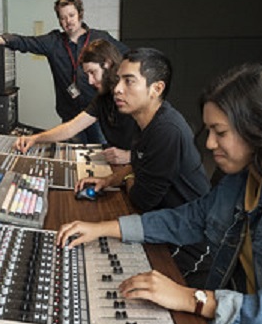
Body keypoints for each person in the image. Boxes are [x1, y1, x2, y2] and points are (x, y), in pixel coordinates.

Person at [57, 63, 262, 324]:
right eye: (209, 131)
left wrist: (191, 298)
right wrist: (104, 228)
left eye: (219, 132)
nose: (209, 143)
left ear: (259, 129)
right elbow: (189, 219)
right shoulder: (245, 177)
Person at [76, 47, 211, 287]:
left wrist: (128, 177)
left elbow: (141, 199)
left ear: (156, 89)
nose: (117, 89)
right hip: (162, 225)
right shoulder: (146, 121)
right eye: (118, 80)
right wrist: (110, 180)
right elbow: (136, 168)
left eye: (129, 81)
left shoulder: (166, 131)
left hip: (186, 245)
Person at [0, 0, 128, 144]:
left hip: (98, 114)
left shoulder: (100, 38)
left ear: (80, 14)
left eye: (71, 15)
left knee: (102, 155)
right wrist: (2, 39)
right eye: (63, 18)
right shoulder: (54, 41)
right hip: (70, 115)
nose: (68, 21)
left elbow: (127, 58)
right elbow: (27, 42)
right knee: (74, 160)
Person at [13, 39, 136, 164]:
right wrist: (35, 139)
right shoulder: (102, 98)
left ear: (108, 64)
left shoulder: (137, 95)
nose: (90, 81)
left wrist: (130, 156)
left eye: (93, 72)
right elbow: (71, 128)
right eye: (87, 74)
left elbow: (155, 139)